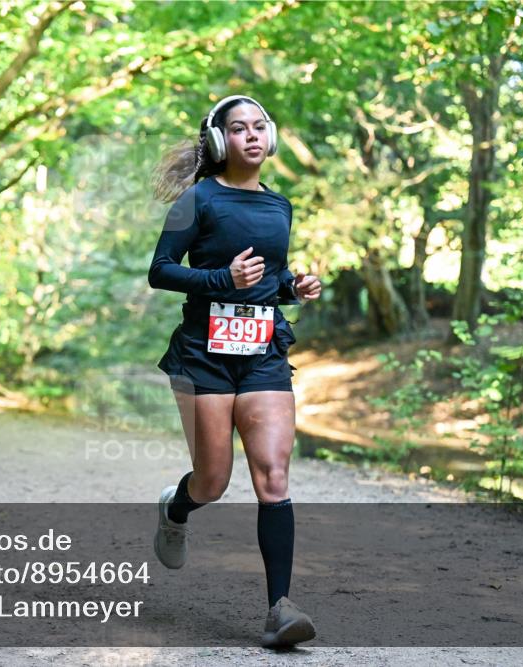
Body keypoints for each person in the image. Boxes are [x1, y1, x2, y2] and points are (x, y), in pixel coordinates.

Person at [148, 95, 323, 648]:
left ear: (268, 138)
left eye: (259, 127)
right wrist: (221, 280)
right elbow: (161, 272)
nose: (251, 135)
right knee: (213, 481)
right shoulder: (197, 200)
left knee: (273, 476)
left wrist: (293, 288)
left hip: (264, 354)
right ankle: (176, 509)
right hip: (205, 354)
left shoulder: (280, 206)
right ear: (221, 141)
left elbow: (268, 279)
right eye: (238, 128)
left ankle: (280, 608)